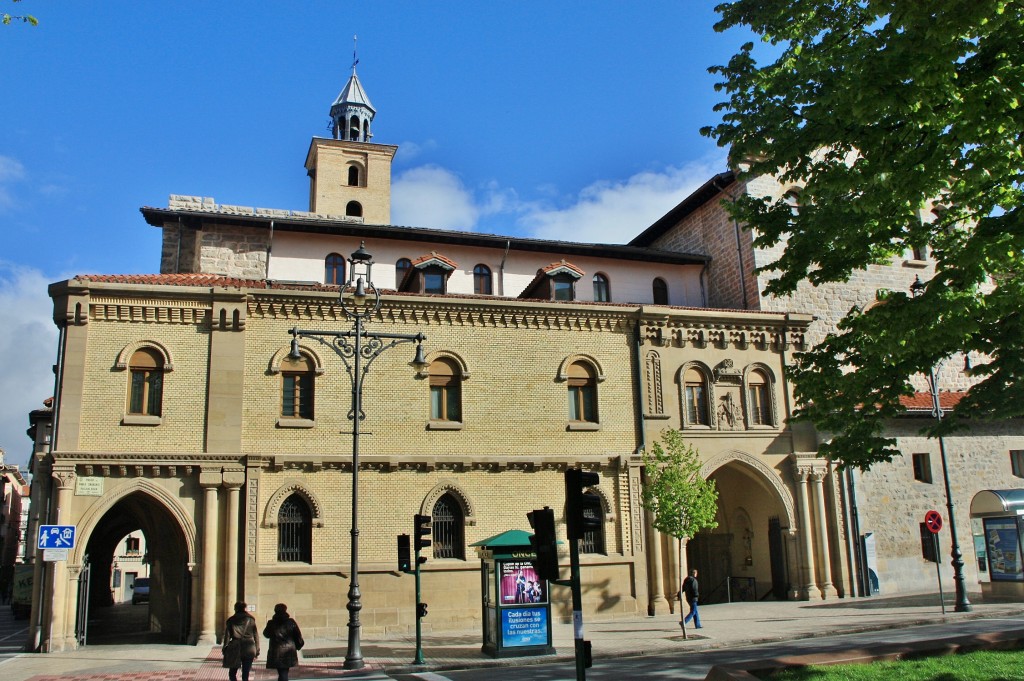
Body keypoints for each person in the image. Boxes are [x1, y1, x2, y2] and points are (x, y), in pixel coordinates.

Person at [263, 603, 304, 681]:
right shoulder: (291, 622)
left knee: (282, 673)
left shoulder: (271, 623)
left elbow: (266, 634)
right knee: (284, 672)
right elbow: (298, 635)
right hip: (289, 650)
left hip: (276, 651)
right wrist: (298, 646)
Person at [222, 601, 260, 681]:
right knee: (246, 672)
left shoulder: (231, 620)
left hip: (234, 647)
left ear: (235, 609)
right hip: (249, 646)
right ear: (244, 608)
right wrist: (257, 650)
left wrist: (225, 648)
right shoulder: (251, 620)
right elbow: (256, 635)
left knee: (232, 672)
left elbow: (227, 636)